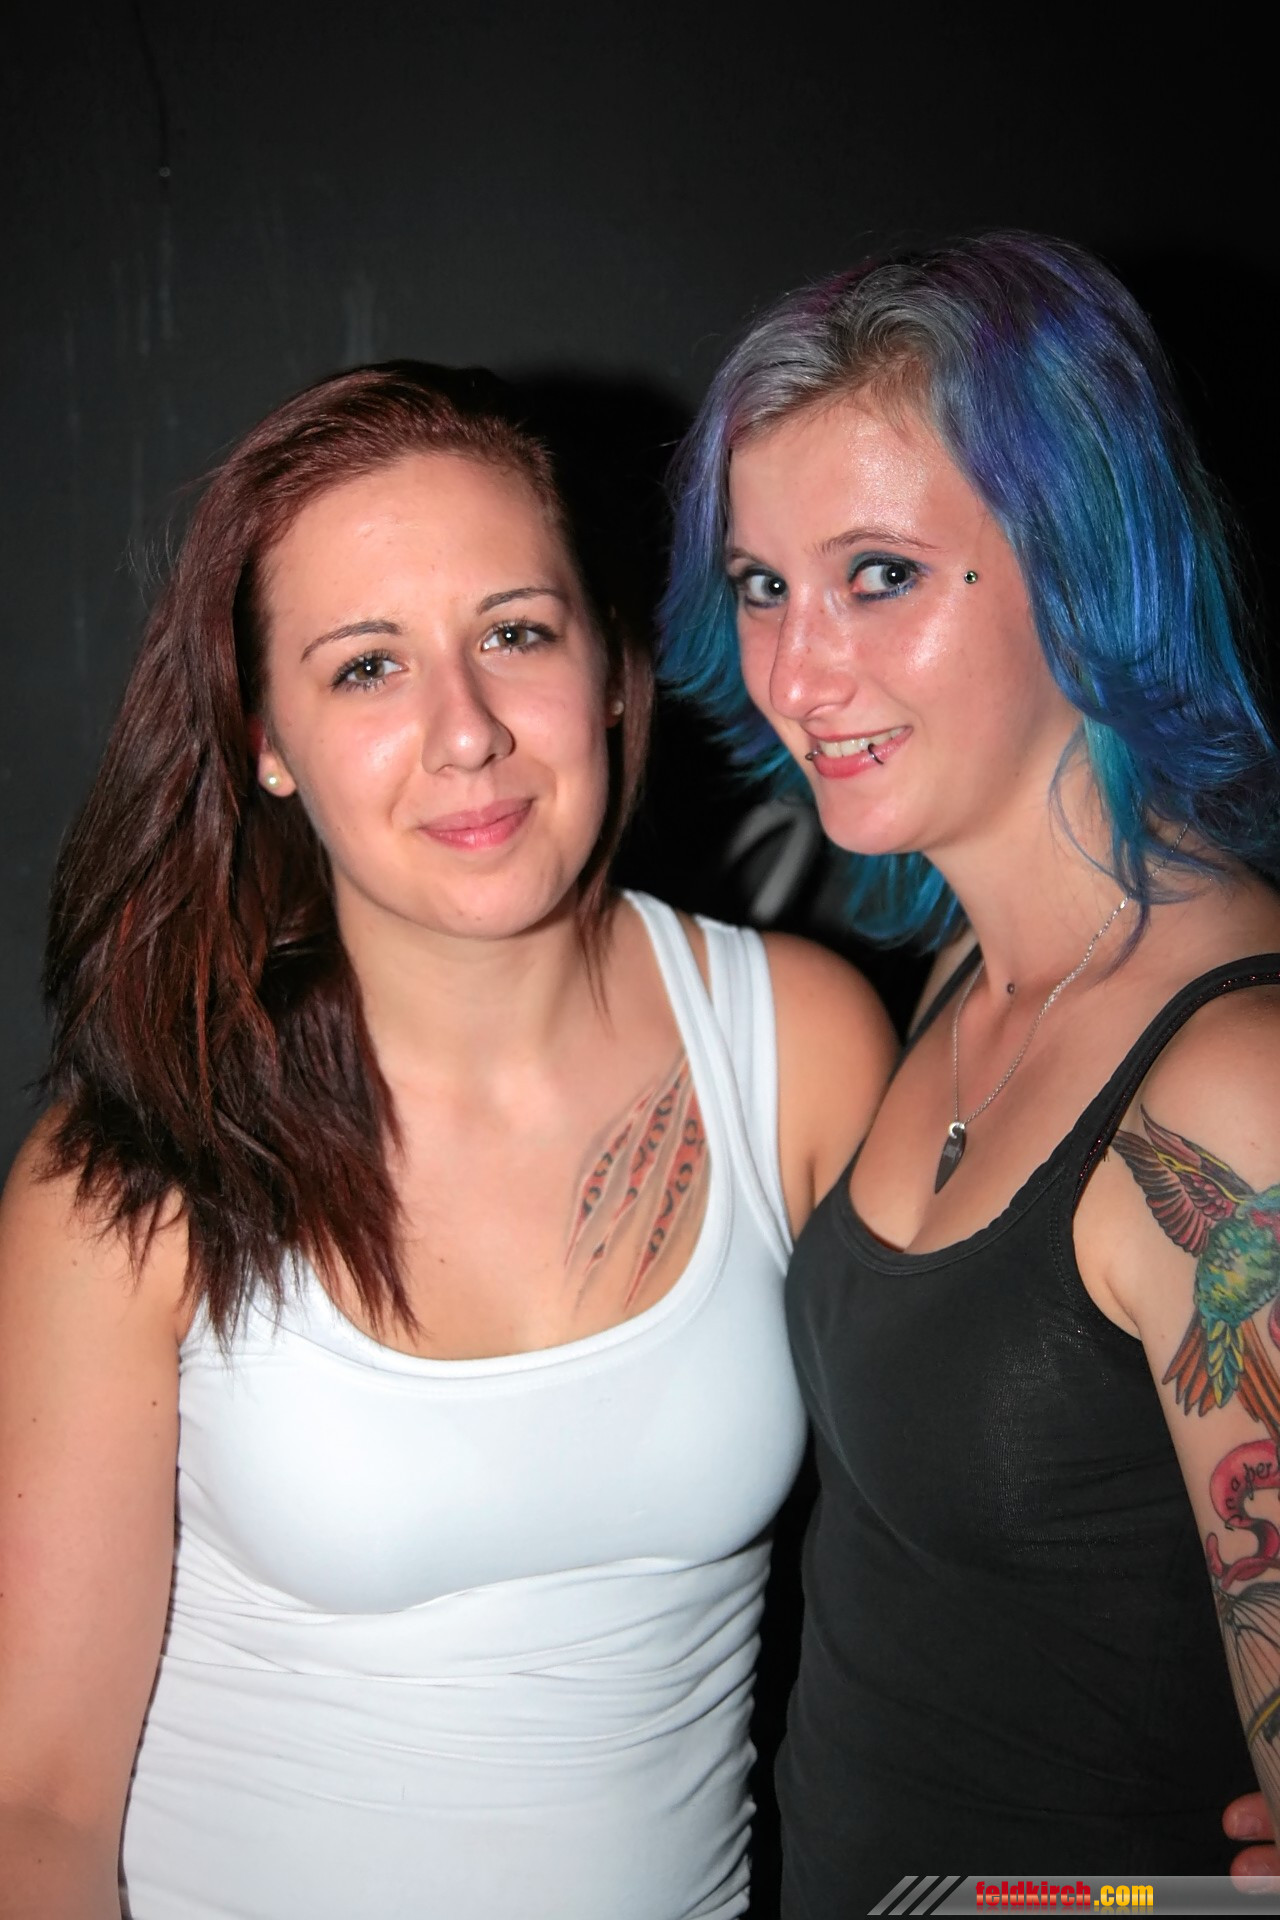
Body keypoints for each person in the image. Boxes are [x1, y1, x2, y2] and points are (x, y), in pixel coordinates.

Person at [0, 362, 896, 1920]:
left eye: (514, 634)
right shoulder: (137, 1170)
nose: (465, 732)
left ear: (610, 665)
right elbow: (39, 1806)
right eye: (366, 668)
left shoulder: (803, 1050)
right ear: (267, 740)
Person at [660, 232, 1280, 1908]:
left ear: (1084, 567)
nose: (798, 672)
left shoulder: (1234, 1087)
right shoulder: (957, 980)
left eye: (880, 574)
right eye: (763, 585)